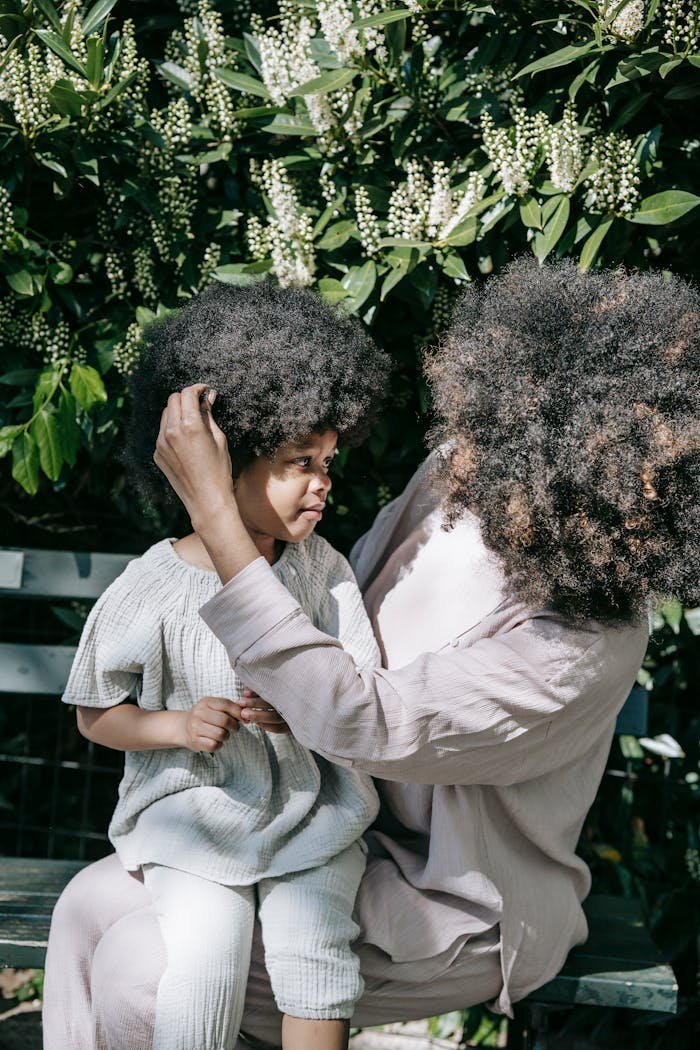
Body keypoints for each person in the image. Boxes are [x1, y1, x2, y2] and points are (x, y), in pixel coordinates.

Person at [43, 258, 700, 1050]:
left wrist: (214, 511)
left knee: (142, 970)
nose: (470, 445)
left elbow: (362, 716)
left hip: (447, 903)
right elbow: (333, 604)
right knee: (85, 905)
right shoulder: (465, 478)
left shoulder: (584, 637)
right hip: (312, 818)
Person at [45, 281, 391, 1050]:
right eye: (300, 461)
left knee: (317, 946)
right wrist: (174, 723)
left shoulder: (323, 569)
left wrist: (303, 701)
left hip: (313, 811)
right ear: (223, 461)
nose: (323, 482)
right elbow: (94, 713)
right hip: (196, 817)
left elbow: (359, 690)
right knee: (205, 951)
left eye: (329, 460)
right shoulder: (158, 584)